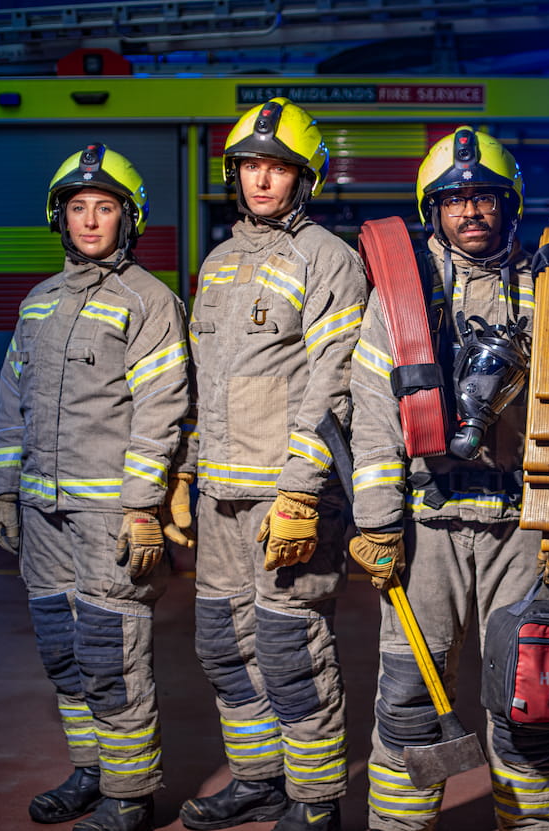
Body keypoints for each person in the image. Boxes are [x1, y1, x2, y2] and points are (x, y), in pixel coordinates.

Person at [346, 126, 549, 831]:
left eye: (484, 197)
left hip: (527, 527)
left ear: (510, 205)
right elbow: (373, 405)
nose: (470, 211)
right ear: (432, 210)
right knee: (408, 696)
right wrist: (375, 520)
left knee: (529, 699)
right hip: (427, 524)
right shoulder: (404, 296)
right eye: (454, 199)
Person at [0, 144, 191, 831]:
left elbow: (163, 410)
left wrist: (141, 507)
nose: (91, 220)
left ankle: (130, 795)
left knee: (112, 653)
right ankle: (91, 770)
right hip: (42, 517)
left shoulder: (149, 302)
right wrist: (1, 488)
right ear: (60, 218)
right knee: (62, 650)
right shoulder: (38, 304)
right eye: (79, 208)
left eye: (105, 208)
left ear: (128, 219)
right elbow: (13, 402)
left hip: (109, 519)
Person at [176, 97, 367, 831]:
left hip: (285, 495)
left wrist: (300, 492)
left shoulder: (328, 259)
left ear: (304, 177)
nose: (261, 180)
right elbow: (209, 380)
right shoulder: (221, 261)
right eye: (250, 166)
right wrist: (187, 475)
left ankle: (315, 802)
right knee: (224, 644)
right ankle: (258, 780)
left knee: (291, 648)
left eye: (277, 167)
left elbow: (333, 385)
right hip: (219, 491)